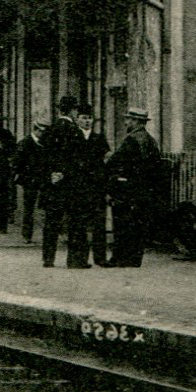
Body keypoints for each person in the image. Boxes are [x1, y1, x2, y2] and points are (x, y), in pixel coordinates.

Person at [43, 99, 109, 269]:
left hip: (67, 185)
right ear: (74, 114)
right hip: (73, 185)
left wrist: (52, 173)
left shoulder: (52, 129)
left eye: (89, 118)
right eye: (82, 116)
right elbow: (72, 160)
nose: (86, 120)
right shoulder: (72, 133)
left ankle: (50, 259)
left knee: (56, 223)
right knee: (76, 223)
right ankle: (75, 260)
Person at [105, 107, 162, 268]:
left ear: (136, 122)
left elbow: (115, 161)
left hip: (127, 188)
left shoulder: (131, 140)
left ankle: (119, 258)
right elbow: (156, 167)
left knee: (122, 223)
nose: (126, 122)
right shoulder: (151, 140)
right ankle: (135, 258)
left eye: (129, 119)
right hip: (144, 189)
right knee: (138, 224)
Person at [13, 122, 49, 243]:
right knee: (29, 208)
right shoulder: (24, 143)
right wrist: (24, 175)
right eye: (42, 132)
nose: (43, 134)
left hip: (43, 180)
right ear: (35, 130)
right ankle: (27, 235)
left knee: (45, 206)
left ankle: (46, 235)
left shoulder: (45, 143)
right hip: (30, 180)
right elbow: (17, 163)